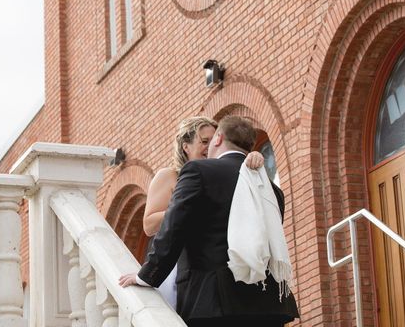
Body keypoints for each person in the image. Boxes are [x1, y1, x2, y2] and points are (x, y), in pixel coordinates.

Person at [120, 115, 298, 326]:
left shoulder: (198, 172)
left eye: (210, 139)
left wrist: (147, 275)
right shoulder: (273, 189)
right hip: (268, 304)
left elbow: (173, 228)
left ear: (219, 138)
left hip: (213, 301)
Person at [142, 116, 264, 310]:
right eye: (203, 141)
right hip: (179, 261)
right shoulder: (169, 176)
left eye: (213, 140)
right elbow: (149, 224)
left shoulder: (222, 175)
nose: (209, 146)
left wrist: (252, 158)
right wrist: (185, 208)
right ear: (185, 146)